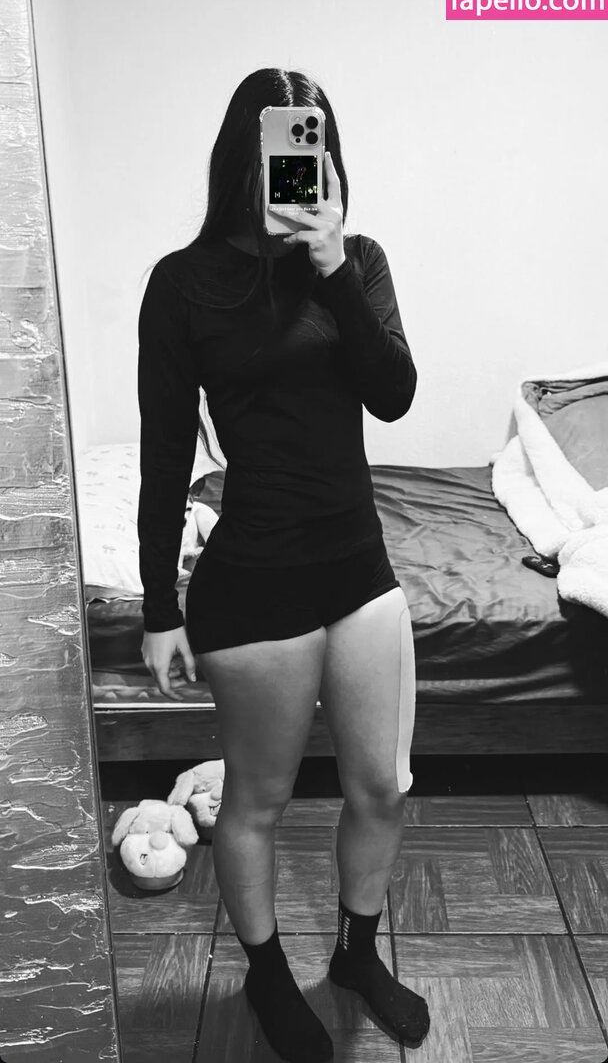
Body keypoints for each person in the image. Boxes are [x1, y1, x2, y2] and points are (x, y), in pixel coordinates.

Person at [137, 68, 430, 1063]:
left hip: (357, 564)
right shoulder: (183, 283)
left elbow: (392, 394)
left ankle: (355, 955)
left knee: (382, 784)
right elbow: (165, 448)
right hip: (253, 577)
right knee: (256, 802)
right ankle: (266, 976)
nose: (301, 165)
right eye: (283, 145)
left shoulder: (358, 261)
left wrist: (334, 264)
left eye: (316, 144)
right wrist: (158, 604)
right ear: (245, 154)